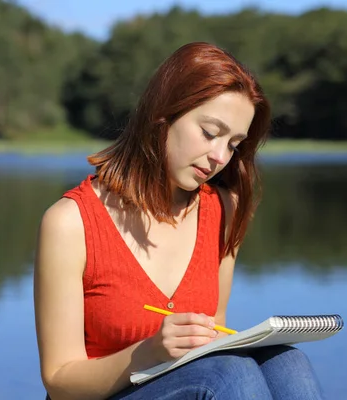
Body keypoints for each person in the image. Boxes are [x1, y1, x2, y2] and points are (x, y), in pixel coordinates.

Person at [33, 42, 325, 400]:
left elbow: (214, 333)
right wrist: (149, 351)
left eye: (234, 144)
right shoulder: (70, 223)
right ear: (164, 114)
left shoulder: (224, 209)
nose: (219, 157)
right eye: (209, 132)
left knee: (287, 362)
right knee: (227, 373)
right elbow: (60, 382)